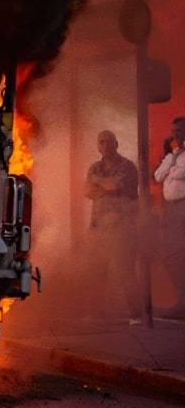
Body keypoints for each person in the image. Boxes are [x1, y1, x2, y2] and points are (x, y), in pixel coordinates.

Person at [83, 129, 142, 323]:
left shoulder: (127, 166)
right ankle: (96, 313)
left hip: (123, 228)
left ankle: (137, 315)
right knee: (96, 270)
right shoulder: (94, 167)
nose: (106, 145)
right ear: (98, 146)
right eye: (102, 142)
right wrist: (107, 186)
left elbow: (118, 185)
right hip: (98, 227)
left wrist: (99, 183)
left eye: (109, 142)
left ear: (116, 144)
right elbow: (87, 191)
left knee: (126, 271)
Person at [153, 116, 185, 319]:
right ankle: (182, 298)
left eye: (180, 131)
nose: (176, 135)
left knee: (179, 252)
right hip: (171, 210)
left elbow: (182, 173)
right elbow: (158, 175)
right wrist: (173, 168)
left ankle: (183, 302)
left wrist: (172, 171)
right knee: (167, 253)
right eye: (174, 131)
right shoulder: (173, 154)